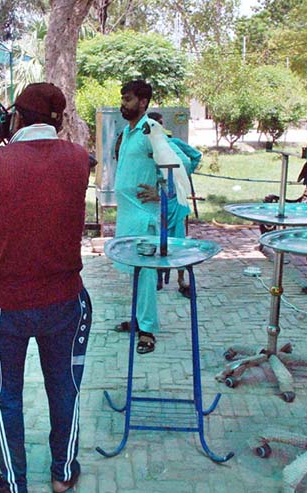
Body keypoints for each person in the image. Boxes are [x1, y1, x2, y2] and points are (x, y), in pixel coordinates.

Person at [0, 82, 93, 493]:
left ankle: (14, 483)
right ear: (60, 119)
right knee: (64, 387)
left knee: (5, 397)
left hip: (5, 306)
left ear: (16, 115)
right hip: (66, 301)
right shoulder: (78, 160)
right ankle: (63, 473)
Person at [112, 80, 165, 355]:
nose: (124, 104)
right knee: (135, 272)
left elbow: (180, 165)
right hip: (128, 215)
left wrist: (162, 192)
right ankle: (137, 319)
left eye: (128, 99)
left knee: (145, 275)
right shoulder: (128, 131)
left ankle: (148, 331)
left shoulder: (151, 130)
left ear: (143, 102)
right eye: (122, 98)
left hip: (145, 217)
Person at [147, 112, 200, 298]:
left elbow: (194, 157)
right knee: (158, 239)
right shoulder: (150, 148)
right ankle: (158, 276)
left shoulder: (174, 144)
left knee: (178, 240)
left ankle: (180, 279)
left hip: (175, 200)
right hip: (158, 200)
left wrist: (181, 178)